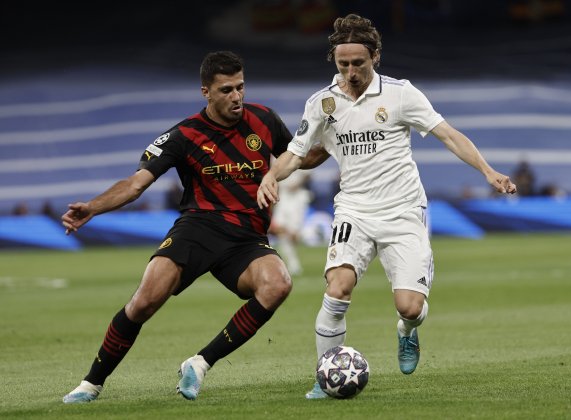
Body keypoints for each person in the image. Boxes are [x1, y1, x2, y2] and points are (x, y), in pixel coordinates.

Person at [257, 14, 517, 399]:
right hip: (353, 211)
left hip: (403, 210)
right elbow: (296, 154)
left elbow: (448, 134)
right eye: (342, 64)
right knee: (337, 287)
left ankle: (407, 332)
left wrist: (487, 171)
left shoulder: (400, 94)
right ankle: (325, 377)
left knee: (409, 307)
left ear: (375, 57)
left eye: (357, 63)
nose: (350, 71)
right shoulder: (322, 103)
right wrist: (269, 176)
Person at [61, 51, 326, 404]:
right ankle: (90, 384)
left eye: (241, 87)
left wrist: (334, 136)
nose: (237, 97)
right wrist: (92, 207)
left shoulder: (264, 119)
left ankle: (200, 363)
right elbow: (136, 184)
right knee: (144, 302)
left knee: (277, 284)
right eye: (226, 89)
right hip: (197, 229)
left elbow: (301, 157)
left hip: (247, 237)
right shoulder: (184, 135)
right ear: (206, 92)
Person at [269, 170, 313, 276]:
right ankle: (293, 264)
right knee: (280, 228)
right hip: (282, 196)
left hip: (297, 196)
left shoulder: (301, 154)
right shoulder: (273, 155)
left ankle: (308, 235)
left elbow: (308, 174)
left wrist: (297, 184)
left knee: (294, 234)